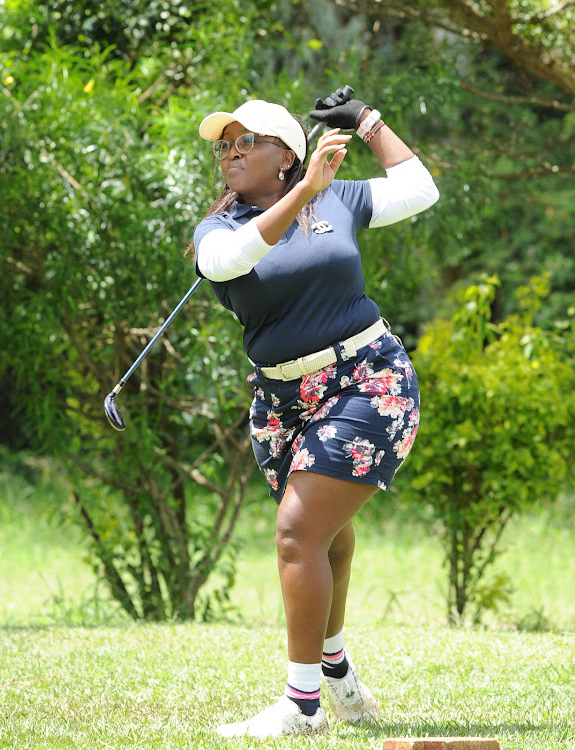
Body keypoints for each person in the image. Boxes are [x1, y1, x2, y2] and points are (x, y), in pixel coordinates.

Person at [192, 87, 439, 738]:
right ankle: (332, 665)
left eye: (246, 141)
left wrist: (367, 122)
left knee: (298, 532)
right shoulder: (220, 229)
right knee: (326, 534)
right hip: (282, 399)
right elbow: (228, 261)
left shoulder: (339, 197)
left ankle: (301, 707)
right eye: (224, 144)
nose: (230, 152)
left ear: (285, 154)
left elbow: (419, 190)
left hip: (368, 380)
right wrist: (301, 196)